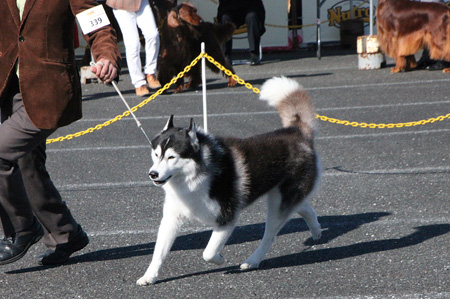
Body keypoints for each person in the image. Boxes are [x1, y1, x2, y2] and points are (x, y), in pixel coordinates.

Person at [0, 0, 120, 266]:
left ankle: (22, 229)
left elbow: (97, 25)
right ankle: (65, 233)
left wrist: (106, 57)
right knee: (27, 162)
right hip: (8, 87)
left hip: (49, 88)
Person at [107, 0, 162, 96]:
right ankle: (138, 83)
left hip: (141, 2)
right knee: (133, 44)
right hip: (121, 5)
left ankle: (150, 73)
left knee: (153, 34)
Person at [217, 0, 266, 66]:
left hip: (250, 6)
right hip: (229, 8)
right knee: (225, 18)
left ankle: (254, 54)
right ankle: (226, 56)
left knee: (252, 16)